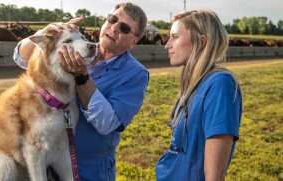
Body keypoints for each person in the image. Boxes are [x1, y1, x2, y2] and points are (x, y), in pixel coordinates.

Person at [13, 2, 148, 180]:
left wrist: (81, 76)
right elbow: (21, 59)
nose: (114, 28)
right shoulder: (79, 45)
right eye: (112, 19)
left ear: (133, 41)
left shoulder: (135, 74)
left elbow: (106, 123)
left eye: (124, 28)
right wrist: (46, 35)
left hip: (89, 168)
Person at [155, 10, 242, 181]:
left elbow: (214, 176)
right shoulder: (194, 82)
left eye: (175, 37)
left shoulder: (220, 84)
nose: (167, 44)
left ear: (201, 42)